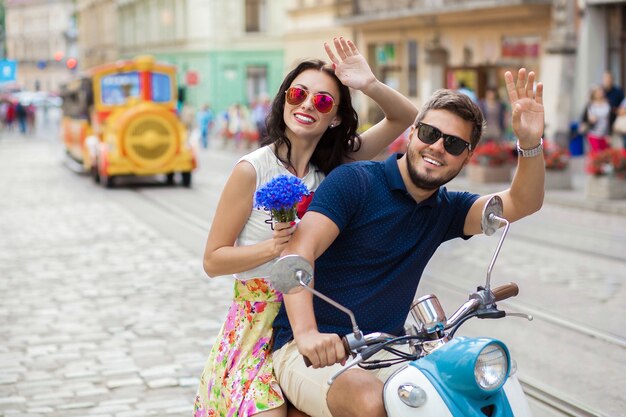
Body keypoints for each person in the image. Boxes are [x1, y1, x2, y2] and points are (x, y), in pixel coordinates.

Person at [271, 68, 545, 417]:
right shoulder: (355, 182)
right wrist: (308, 334)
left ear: (467, 156)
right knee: (372, 403)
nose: (437, 147)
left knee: (467, 394)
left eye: (454, 143)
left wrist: (531, 142)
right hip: (309, 351)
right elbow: (298, 252)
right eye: (430, 133)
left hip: (392, 349)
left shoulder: (447, 209)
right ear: (412, 133)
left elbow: (523, 203)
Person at [193, 37, 418, 417]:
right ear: (284, 100)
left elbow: (403, 117)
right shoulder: (253, 170)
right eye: (299, 93)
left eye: (324, 101)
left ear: (335, 119)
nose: (308, 105)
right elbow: (213, 260)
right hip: (256, 325)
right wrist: (275, 248)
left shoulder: (337, 164)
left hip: (318, 322)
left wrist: (367, 84)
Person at [581, 85, 611, 153]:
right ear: (594, 94)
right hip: (594, 134)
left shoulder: (607, 103)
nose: (600, 93)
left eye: (601, 91)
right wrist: (590, 119)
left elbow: (609, 120)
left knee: (605, 156)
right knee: (596, 155)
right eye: (597, 92)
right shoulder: (590, 105)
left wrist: (609, 134)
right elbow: (585, 119)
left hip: (604, 135)